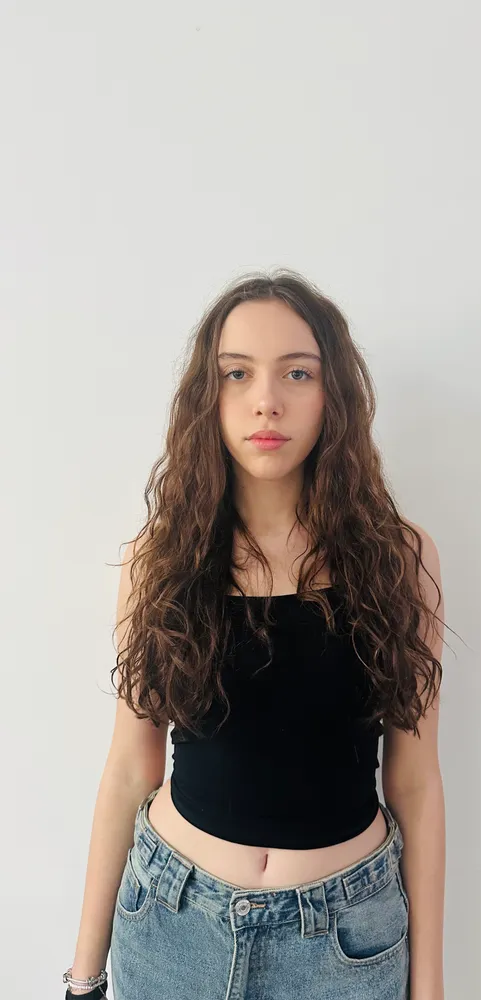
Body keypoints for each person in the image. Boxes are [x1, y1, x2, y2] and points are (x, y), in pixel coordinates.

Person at [64, 268, 448, 1000]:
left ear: (333, 393)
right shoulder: (160, 559)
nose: (266, 400)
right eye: (236, 374)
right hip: (171, 926)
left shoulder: (399, 558)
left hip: (344, 945)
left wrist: (427, 988)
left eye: (297, 372)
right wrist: (83, 978)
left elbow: (415, 782)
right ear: (206, 397)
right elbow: (130, 768)